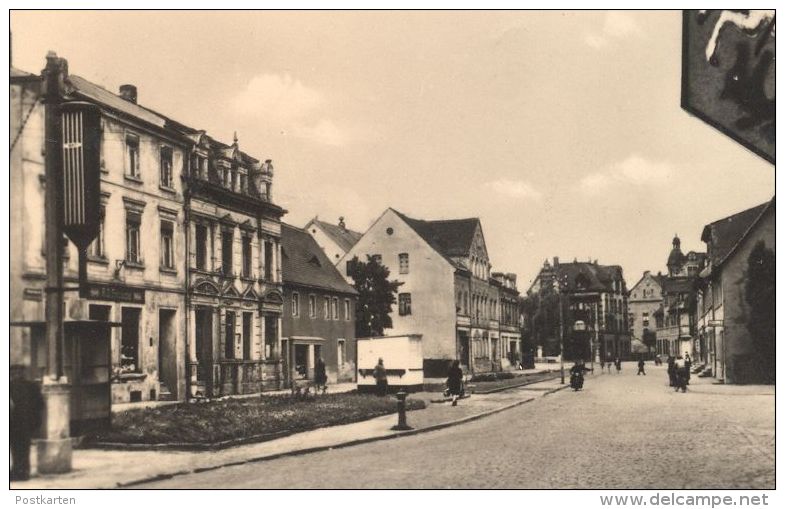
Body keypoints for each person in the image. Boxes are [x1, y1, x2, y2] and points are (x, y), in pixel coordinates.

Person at [10, 365, 43, 482]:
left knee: (18, 448)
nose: (15, 374)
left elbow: (39, 405)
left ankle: (19, 472)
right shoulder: (32, 386)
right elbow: (40, 405)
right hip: (22, 423)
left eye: (17, 371)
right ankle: (21, 472)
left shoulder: (29, 386)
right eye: (14, 372)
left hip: (17, 423)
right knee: (21, 448)